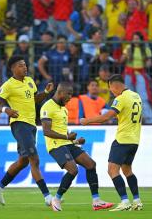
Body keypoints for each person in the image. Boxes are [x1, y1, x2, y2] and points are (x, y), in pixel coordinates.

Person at [0, 56, 54, 207]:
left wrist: (45, 92)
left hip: (31, 125)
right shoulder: (8, 85)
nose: (24, 68)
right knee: (34, 159)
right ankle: (47, 197)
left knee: (23, 161)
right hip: (19, 124)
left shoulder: (30, 81)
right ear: (12, 68)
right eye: (20, 66)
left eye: (25, 65)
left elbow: (34, 99)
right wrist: (7, 110)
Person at [40, 82, 113, 211]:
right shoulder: (47, 106)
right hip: (55, 145)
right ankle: (56, 199)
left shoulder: (64, 109)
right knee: (73, 170)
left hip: (67, 143)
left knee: (91, 164)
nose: (70, 98)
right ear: (61, 92)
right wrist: (67, 138)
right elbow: (47, 131)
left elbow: (64, 131)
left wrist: (75, 142)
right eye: (69, 95)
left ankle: (96, 201)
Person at [80, 74, 144, 211]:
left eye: (111, 89)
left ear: (115, 86)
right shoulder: (136, 96)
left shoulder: (120, 99)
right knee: (127, 170)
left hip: (122, 139)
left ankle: (125, 201)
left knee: (112, 169)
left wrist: (87, 121)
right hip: (135, 139)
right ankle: (137, 201)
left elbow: (106, 117)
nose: (112, 92)